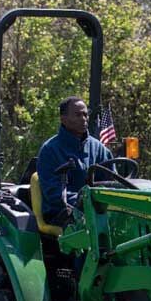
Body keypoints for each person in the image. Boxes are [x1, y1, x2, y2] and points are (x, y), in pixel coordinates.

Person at [36, 96, 112, 226]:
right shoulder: (50, 150)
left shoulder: (98, 148)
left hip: (95, 208)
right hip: (62, 213)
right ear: (63, 119)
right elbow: (54, 193)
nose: (83, 119)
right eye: (77, 115)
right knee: (92, 225)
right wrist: (85, 201)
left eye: (85, 114)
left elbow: (111, 182)